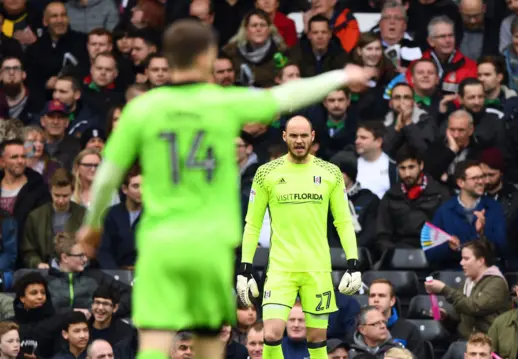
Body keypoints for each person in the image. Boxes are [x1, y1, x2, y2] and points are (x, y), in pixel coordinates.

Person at [76, 18, 374, 359]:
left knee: (155, 341)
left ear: (167, 59)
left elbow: (107, 175)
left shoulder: (143, 109)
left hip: (161, 240)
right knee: (207, 343)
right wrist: (340, 76)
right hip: (209, 242)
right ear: (208, 56)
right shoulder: (223, 102)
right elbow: (284, 95)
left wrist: (92, 225)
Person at [239, 115, 363, 359]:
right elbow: (252, 224)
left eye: (303, 135)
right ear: (284, 137)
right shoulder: (266, 173)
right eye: (293, 135)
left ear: (313, 137)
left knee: (317, 339)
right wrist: (245, 268)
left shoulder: (330, 173)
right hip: (281, 268)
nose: (298, 140)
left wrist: (354, 263)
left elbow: (343, 222)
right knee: (272, 334)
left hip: (317, 268)